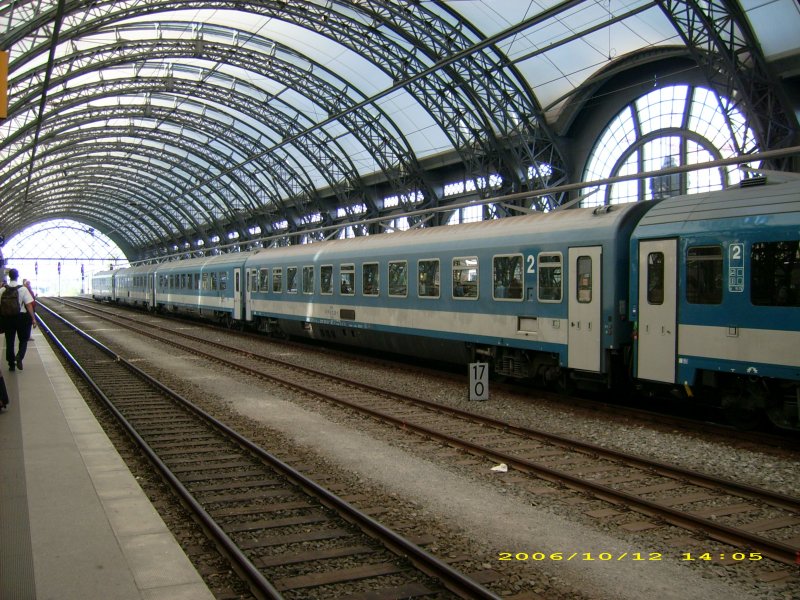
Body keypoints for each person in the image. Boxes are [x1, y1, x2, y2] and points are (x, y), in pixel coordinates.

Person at [0, 268, 37, 371]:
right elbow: (29, 305)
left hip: (7, 318)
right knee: (24, 339)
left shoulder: (3, 289)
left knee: (9, 341)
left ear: (9, 276)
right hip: (22, 318)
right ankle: (19, 357)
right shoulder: (23, 289)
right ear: (17, 276)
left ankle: (11, 364)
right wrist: (33, 319)